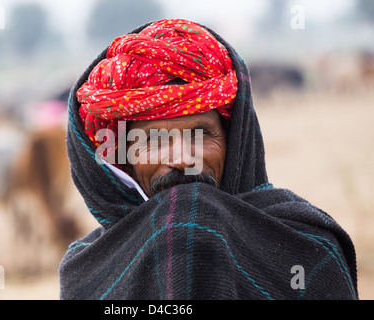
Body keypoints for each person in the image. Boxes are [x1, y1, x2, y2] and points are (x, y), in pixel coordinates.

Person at [59, 19, 358, 300]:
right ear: (122, 161)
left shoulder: (306, 247)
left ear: (236, 140)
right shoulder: (88, 272)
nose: (182, 158)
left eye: (200, 134)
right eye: (152, 140)